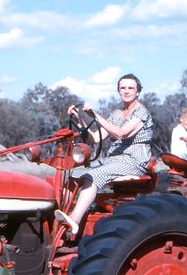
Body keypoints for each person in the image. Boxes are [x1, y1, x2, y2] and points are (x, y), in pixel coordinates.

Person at [55, 73, 153, 235]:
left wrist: (96, 116)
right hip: (115, 159)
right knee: (75, 173)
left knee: (94, 176)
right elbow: (93, 138)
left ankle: (75, 220)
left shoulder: (141, 113)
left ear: (138, 92)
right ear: (118, 91)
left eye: (130, 88)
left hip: (134, 161)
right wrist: (80, 119)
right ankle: (60, 212)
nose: (126, 91)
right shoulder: (116, 114)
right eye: (123, 88)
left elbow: (121, 134)